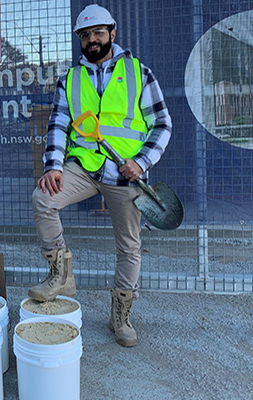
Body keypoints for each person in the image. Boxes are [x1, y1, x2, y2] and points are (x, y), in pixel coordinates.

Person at [30, 4, 171, 347]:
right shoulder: (71, 78)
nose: (91, 40)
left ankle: (120, 315)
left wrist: (141, 162)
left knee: (129, 246)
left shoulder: (139, 73)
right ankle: (60, 275)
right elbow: (59, 125)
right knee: (43, 199)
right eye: (85, 35)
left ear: (112, 33)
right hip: (84, 168)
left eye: (97, 33)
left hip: (126, 174)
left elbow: (162, 124)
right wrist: (52, 166)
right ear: (79, 39)